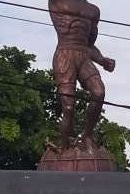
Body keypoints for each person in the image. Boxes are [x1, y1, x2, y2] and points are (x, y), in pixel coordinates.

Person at [48, 0, 116, 150]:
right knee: (69, 107)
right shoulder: (58, 2)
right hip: (64, 55)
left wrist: (103, 60)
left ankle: (87, 135)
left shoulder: (93, 11)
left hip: (83, 56)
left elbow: (89, 46)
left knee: (99, 92)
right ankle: (65, 147)